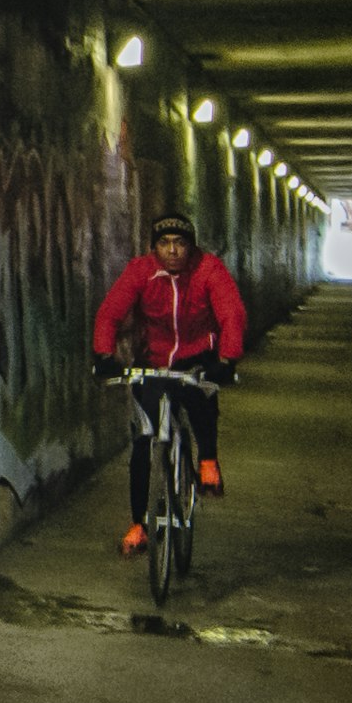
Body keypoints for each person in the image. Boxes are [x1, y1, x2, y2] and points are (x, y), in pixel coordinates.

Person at [93, 210, 249, 552]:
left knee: (202, 402)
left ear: (191, 246)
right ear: (154, 248)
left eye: (180, 243)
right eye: (164, 244)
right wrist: (104, 355)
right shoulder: (141, 271)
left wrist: (227, 358)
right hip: (152, 361)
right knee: (144, 439)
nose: (173, 251)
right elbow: (111, 312)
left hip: (197, 359)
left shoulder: (208, 269)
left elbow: (230, 313)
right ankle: (138, 525)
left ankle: (207, 460)